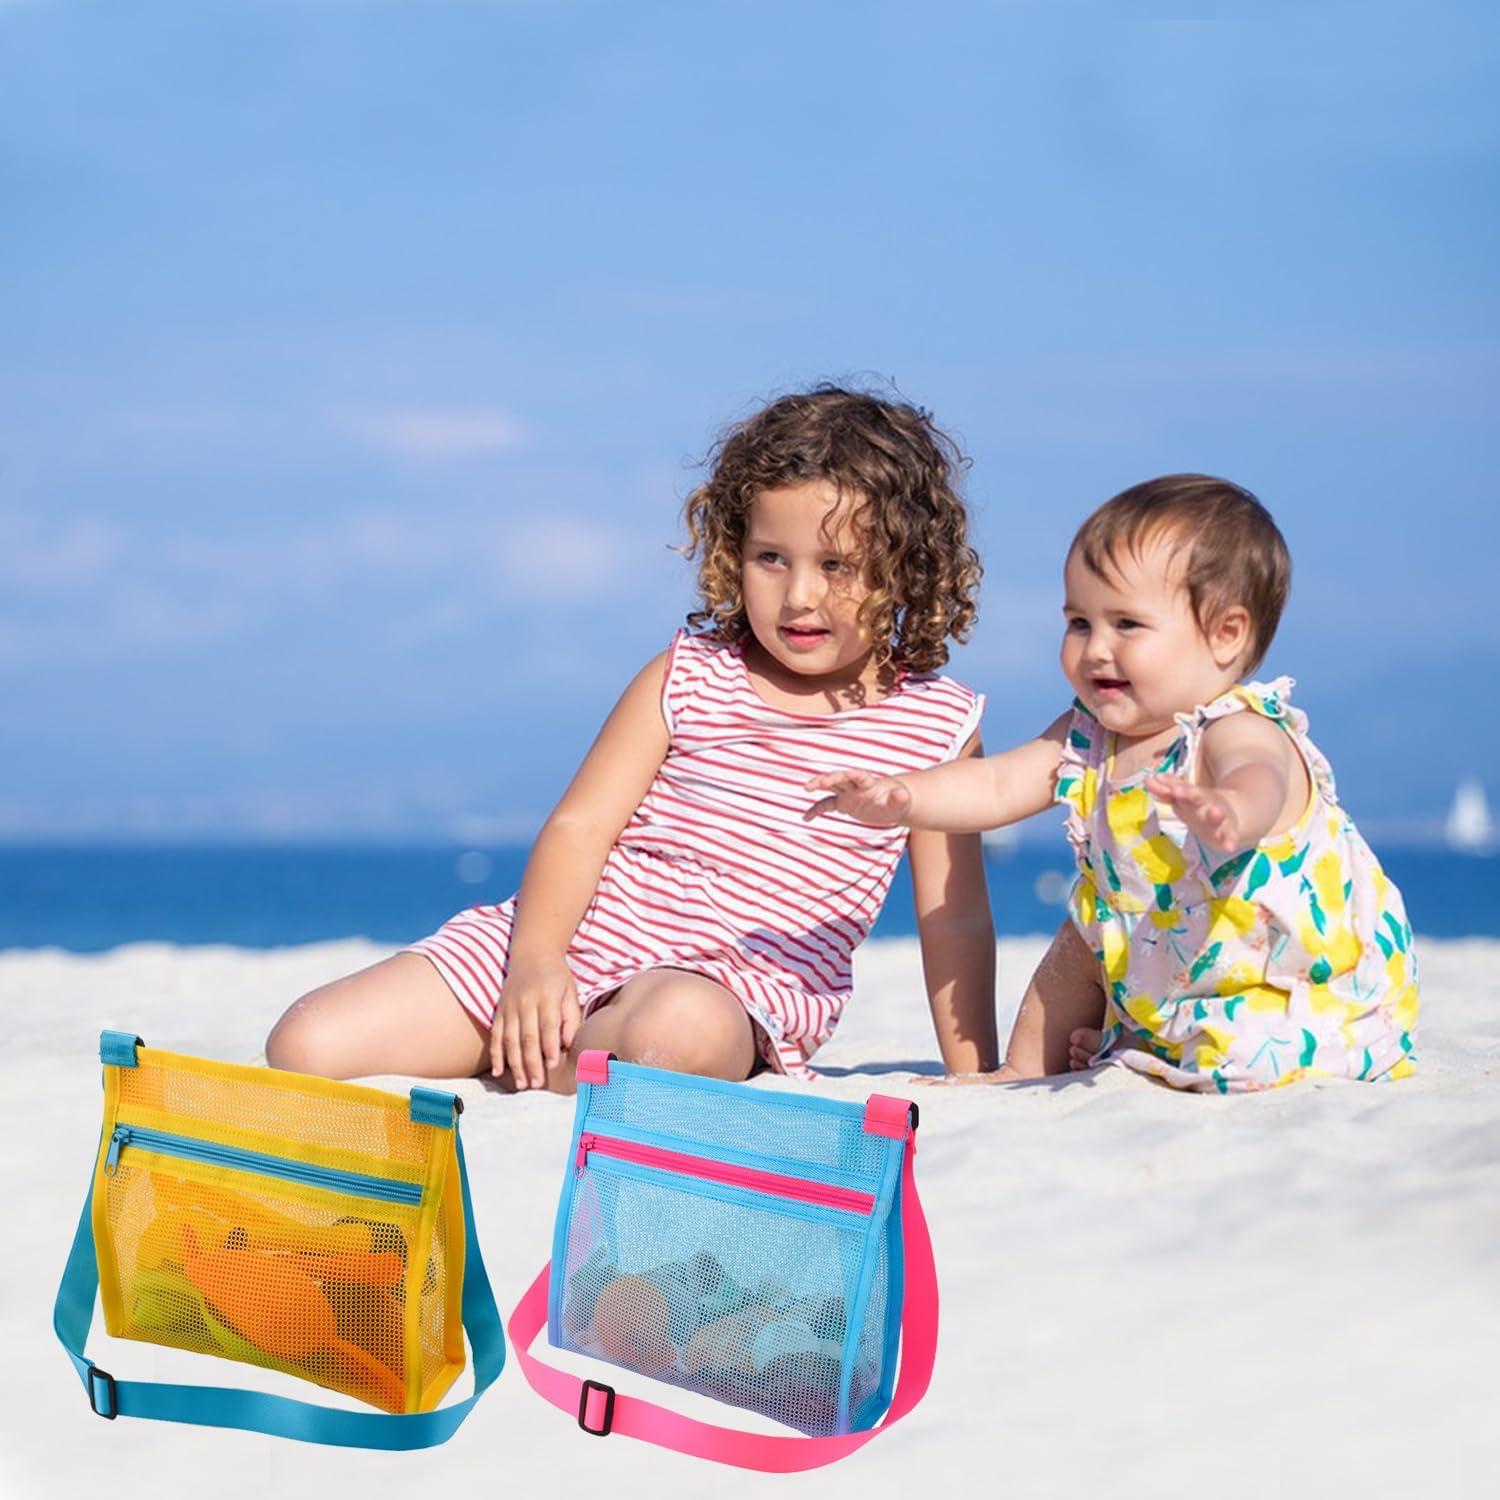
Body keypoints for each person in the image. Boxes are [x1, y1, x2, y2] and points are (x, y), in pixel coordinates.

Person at [266, 386, 997, 1092]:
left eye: (836, 566)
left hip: (729, 990)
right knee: (305, 1042)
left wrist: (975, 1073)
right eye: (771, 558)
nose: (799, 594)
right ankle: (547, 1046)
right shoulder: (689, 673)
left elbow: (952, 913)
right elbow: (582, 826)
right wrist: (535, 963)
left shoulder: (936, 726)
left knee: (670, 1034)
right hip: (570, 940)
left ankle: (549, 1061)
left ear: (906, 570)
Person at [809, 474, 1420, 1093]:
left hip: (1273, 972)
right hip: (1166, 952)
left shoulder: (1230, 727)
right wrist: (905, 797)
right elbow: (996, 787)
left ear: (1225, 633)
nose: (1096, 649)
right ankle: (1025, 1068)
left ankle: (1146, 1046)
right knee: (1082, 935)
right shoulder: (1088, 734)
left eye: (1126, 624)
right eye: (1079, 623)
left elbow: (1259, 776)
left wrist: (1232, 810)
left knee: (1247, 1054)